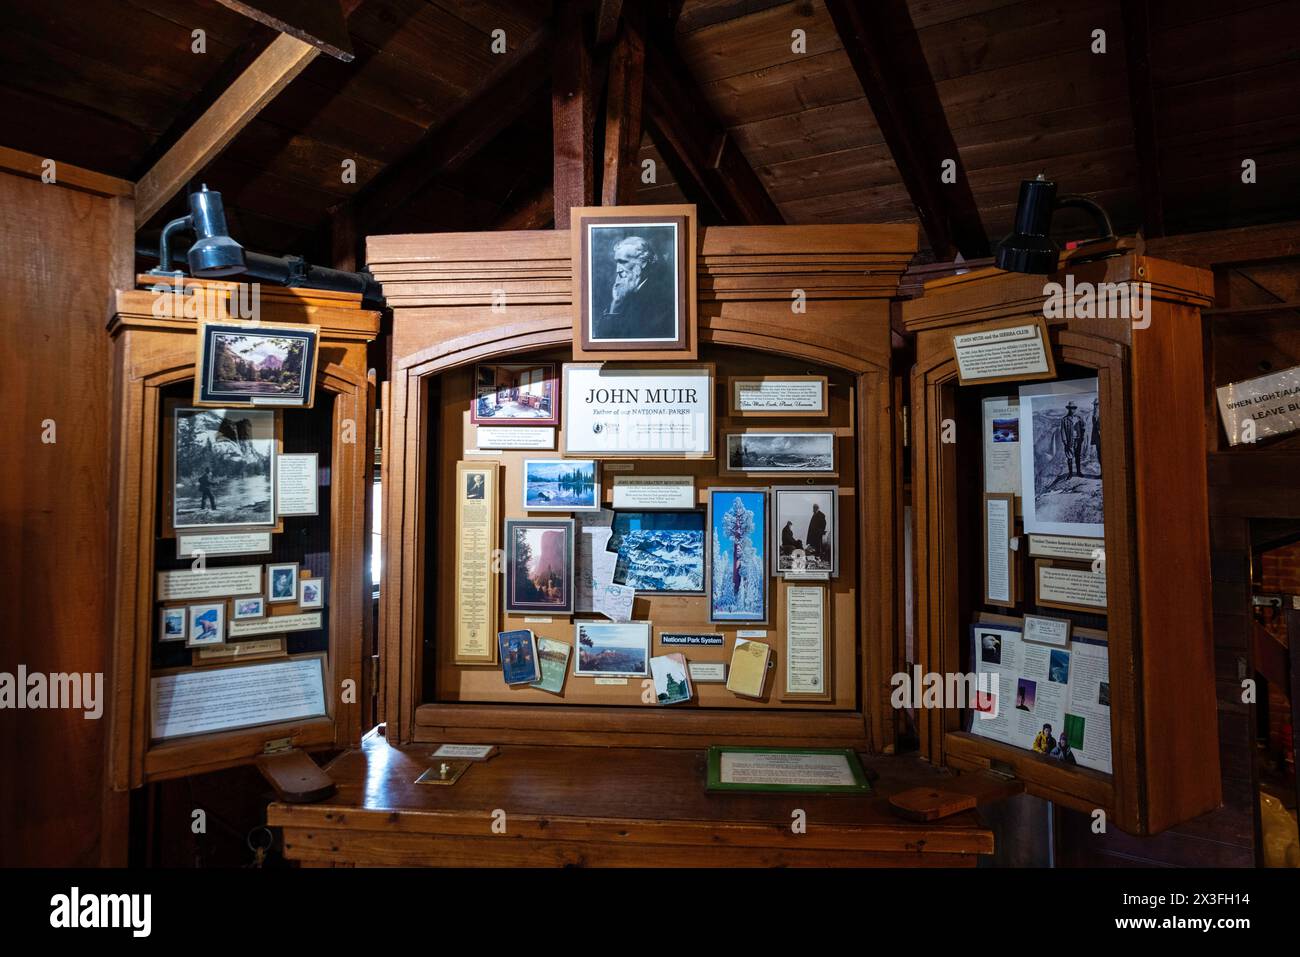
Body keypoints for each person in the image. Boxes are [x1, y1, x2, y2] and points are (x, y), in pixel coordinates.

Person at [595, 236, 675, 341]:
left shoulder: (661, 297)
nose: (618, 270)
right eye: (617, 263)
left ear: (643, 263)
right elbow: (601, 338)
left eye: (623, 262)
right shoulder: (622, 291)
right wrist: (616, 302)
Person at [1059, 401, 1087, 478]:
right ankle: (1070, 473)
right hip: (1069, 441)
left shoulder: (1079, 418)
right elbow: (1062, 431)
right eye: (1071, 408)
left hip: (1078, 440)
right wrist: (1065, 441)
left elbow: (1083, 428)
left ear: (1075, 409)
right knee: (1069, 457)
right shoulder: (1064, 419)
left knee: (1078, 456)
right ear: (1068, 409)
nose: (1072, 410)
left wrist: (1082, 437)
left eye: (1074, 408)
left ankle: (1078, 472)